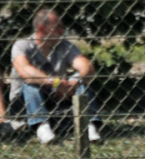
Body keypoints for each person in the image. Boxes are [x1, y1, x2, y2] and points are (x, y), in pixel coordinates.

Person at [9, 8, 101, 144]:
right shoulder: (22, 45)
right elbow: (25, 72)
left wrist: (73, 84)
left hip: (57, 98)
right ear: (42, 29)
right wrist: (55, 82)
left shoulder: (64, 45)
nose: (62, 31)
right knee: (30, 83)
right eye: (58, 28)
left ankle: (89, 127)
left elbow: (87, 67)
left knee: (80, 80)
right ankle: (41, 128)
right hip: (24, 104)